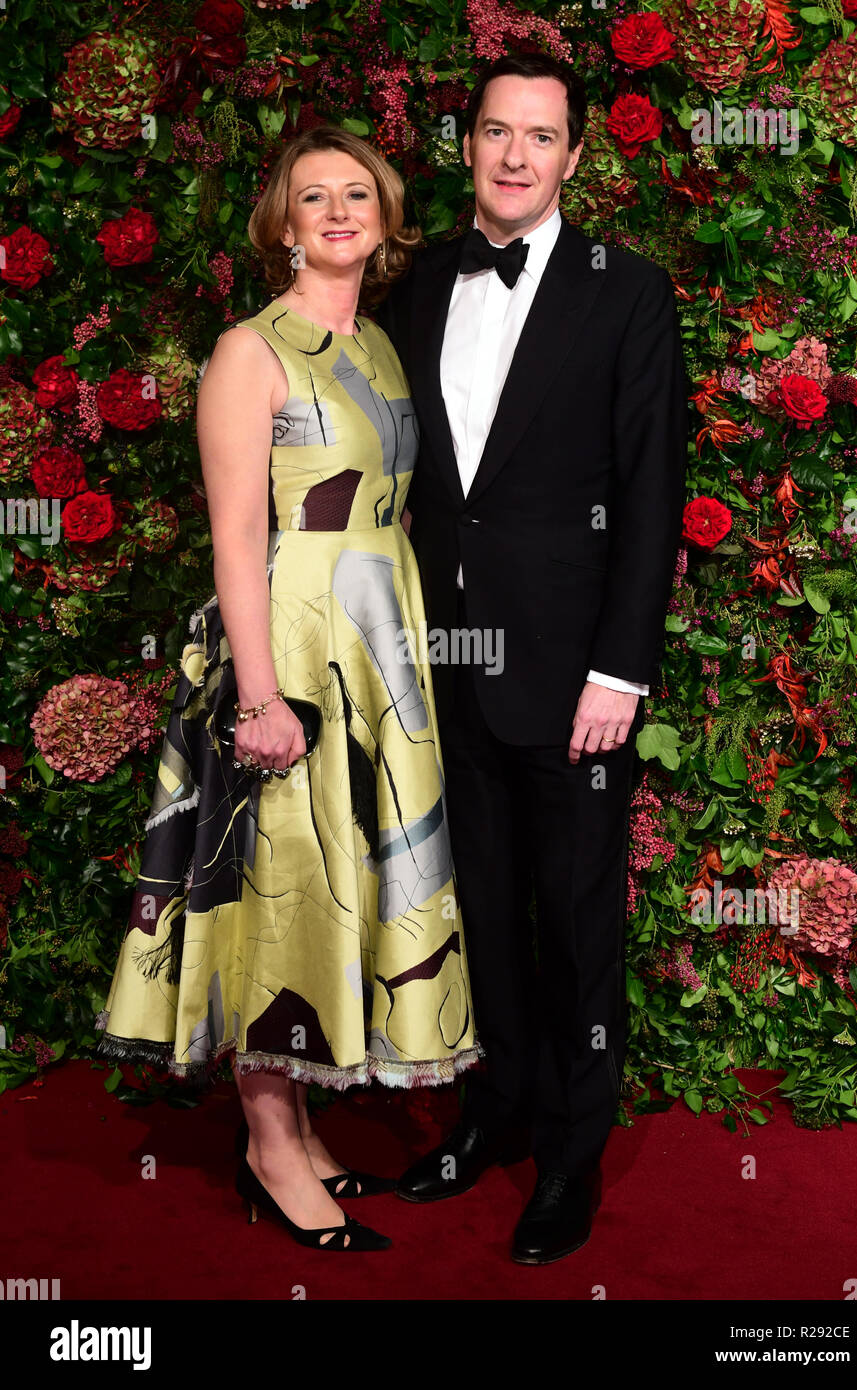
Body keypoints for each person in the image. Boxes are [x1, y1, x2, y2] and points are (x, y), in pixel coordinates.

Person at [95, 126, 481, 1253]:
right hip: (291, 650)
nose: (339, 211)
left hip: (376, 642)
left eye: (357, 193)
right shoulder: (248, 351)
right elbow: (234, 538)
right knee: (279, 881)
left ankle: (299, 1124)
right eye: (315, 197)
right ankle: (268, 1143)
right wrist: (260, 696)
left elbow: (394, 510)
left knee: (335, 877)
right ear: (284, 224)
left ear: (386, 212)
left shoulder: (381, 346)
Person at [377, 52, 689, 1264]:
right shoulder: (413, 287)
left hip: (573, 681)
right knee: (482, 915)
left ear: (572, 156)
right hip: (445, 661)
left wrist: (621, 672)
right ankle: (494, 1109)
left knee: (574, 920)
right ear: (468, 144)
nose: (516, 155)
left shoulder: (627, 291)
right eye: (496, 132)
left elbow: (652, 493)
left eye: (540, 136)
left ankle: (571, 1152)